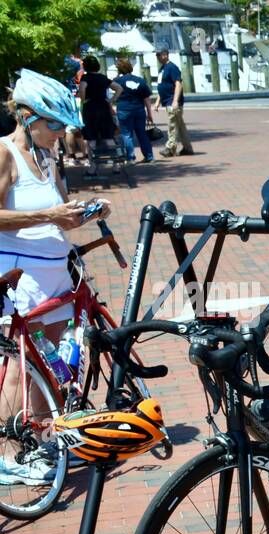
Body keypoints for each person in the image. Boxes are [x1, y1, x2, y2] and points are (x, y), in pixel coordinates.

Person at [0, 71, 112, 484]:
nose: (60, 132)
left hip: (56, 276)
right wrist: (51, 215)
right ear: (27, 117)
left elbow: (60, 212)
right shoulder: (5, 153)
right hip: (21, 277)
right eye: (54, 123)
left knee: (52, 365)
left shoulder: (47, 158)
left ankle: (43, 442)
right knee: (21, 365)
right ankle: (9, 455)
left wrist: (88, 211)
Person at [75, 57, 121, 178]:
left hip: (90, 109)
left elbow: (82, 88)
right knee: (108, 136)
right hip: (104, 108)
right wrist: (111, 100)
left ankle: (93, 167)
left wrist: (84, 100)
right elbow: (119, 88)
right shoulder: (102, 78)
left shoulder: (86, 78)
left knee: (92, 138)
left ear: (85, 66)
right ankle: (116, 164)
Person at [113, 59, 154, 163]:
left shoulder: (117, 81)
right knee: (142, 133)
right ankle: (149, 156)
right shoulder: (140, 80)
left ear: (119, 70)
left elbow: (113, 89)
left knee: (127, 134)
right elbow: (146, 98)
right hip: (139, 109)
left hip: (124, 109)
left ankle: (131, 158)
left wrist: (117, 75)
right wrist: (149, 113)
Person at [154, 48, 192, 157]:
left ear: (165, 55)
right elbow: (162, 87)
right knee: (180, 126)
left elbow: (178, 84)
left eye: (159, 55)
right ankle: (187, 148)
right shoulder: (162, 69)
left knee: (172, 124)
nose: (158, 57)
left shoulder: (172, 68)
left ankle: (170, 148)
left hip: (172, 101)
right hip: (166, 100)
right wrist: (157, 102)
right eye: (157, 55)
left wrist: (175, 101)